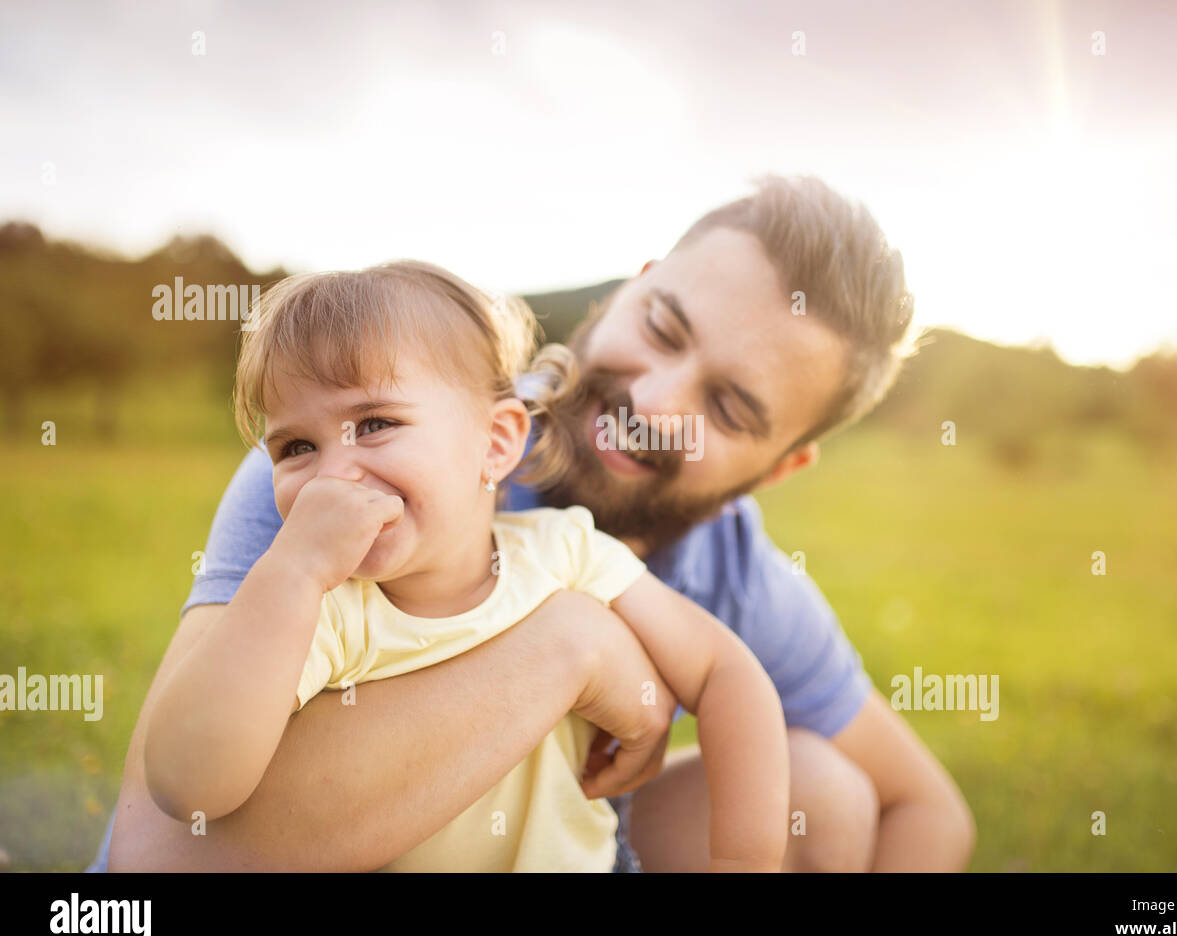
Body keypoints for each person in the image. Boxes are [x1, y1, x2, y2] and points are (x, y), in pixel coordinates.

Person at [100, 174, 976, 873]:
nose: (651, 401)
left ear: (780, 468)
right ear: (631, 290)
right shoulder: (347, 478)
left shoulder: (733, 569)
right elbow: (157, 855)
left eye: (730, 406)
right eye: (663, 328)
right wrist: (573, 651)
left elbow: (928, 810)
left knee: (827, 796)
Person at [139, 260, 790, 872]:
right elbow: (189, 786)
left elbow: (724, 671)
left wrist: (742, 858)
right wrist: (290, 573)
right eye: (296, 446)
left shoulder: (565, 552)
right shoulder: (323, 613)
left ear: (497, 441)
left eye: (375, 423)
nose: (332, 476)